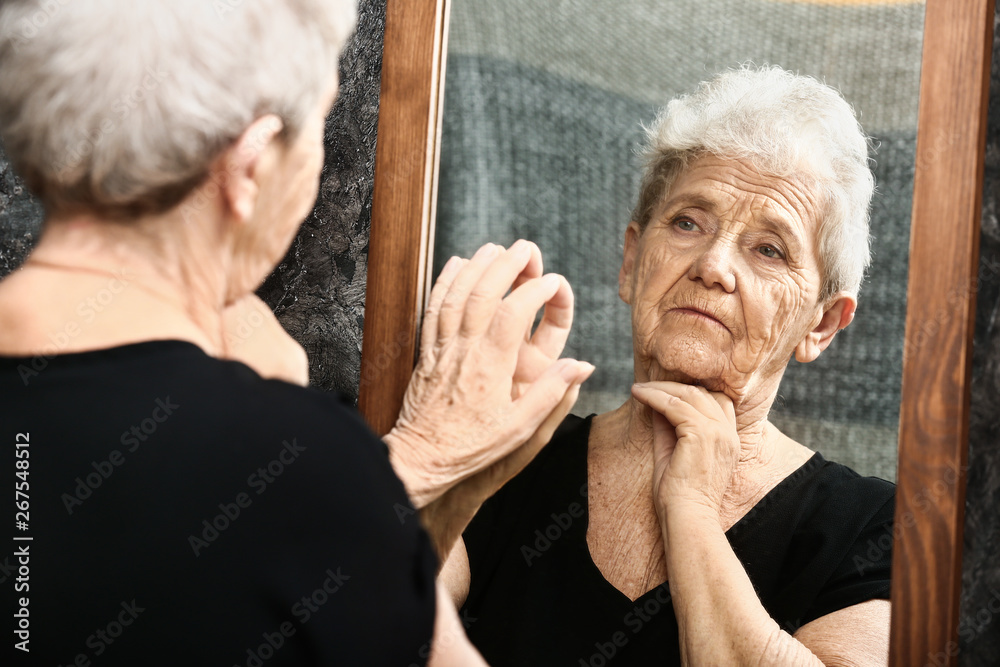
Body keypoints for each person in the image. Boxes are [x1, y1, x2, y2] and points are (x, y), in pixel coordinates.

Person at [0, 1, 593, 665]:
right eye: (316, 126)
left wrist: (441, 487)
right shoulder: (300, 466)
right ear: (250, 166)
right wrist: (403, 459)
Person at [441, 65, 896, 666]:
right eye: (688, 222)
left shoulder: (873, 530)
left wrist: (693, 511)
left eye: (768, 249)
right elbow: (365, 627)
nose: (713, 265)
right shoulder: (514, 460)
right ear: (632, 261)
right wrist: (443, 447)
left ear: (821, 324)